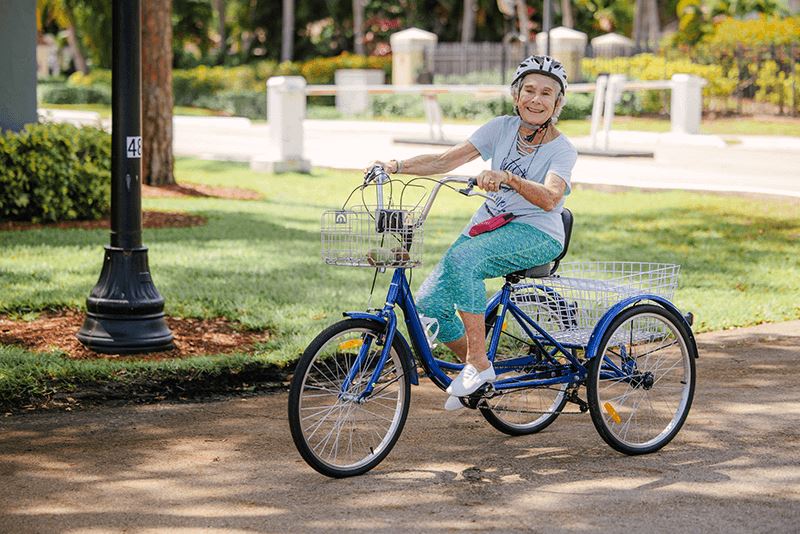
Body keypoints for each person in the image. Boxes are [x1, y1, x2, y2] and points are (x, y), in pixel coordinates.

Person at [372, 55, 578, 410]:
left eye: (547, 93)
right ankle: (477, 376)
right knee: (430, 306)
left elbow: (551, 197)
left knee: (467, 259)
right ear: (516, 95)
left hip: (537, 232)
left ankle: (478, 365)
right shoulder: (500, 128)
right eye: (529, 90)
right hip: (489, 225)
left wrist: (509, 178)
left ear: (558, 103)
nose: (536, 99)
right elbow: (444, 162)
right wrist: (393, 166)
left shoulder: (562, 149)